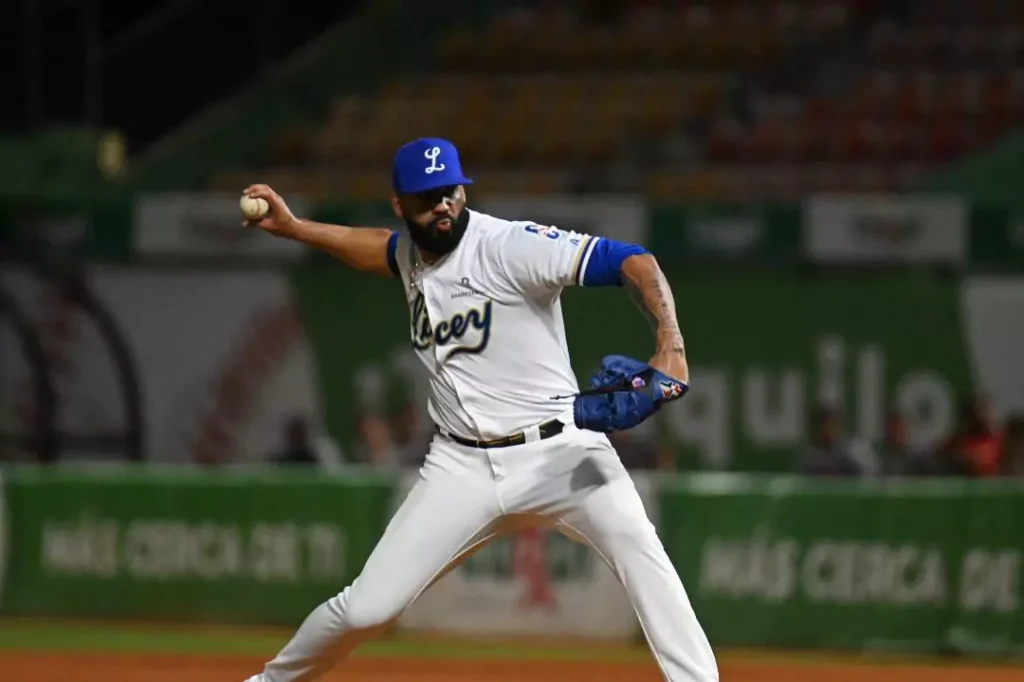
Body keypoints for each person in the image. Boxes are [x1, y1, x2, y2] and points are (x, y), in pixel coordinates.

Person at [239, 138, 717, 682]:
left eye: (451, 191)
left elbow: (635, 260)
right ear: (401, 204)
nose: (443, 205)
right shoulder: (410, 254)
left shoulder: (510, 245)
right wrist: (297, 228)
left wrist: (671, 343)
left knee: (639, 546)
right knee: (365, 609)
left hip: (561, 452)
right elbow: (378, 249)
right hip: (460, 468)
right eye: (427, 197)